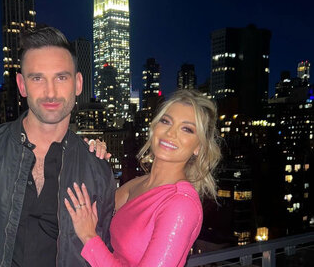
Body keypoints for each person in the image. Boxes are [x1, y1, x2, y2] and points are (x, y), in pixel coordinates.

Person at [0, 26, 116, 267]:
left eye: (61, 77)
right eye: (37, 78)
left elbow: (104, 249)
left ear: (78, 83)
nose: (51, 92)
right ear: (22, 85)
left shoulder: (97, 170)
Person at [65, 89, 221, 266]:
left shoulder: (181, 205)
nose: (171, 133)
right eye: (166, 121)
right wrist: (93, 161)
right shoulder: (137, 183)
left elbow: (89, 231)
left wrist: (89, 237)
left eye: (187, 129)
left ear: (198, 147)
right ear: (154, 128)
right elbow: (92, 210)